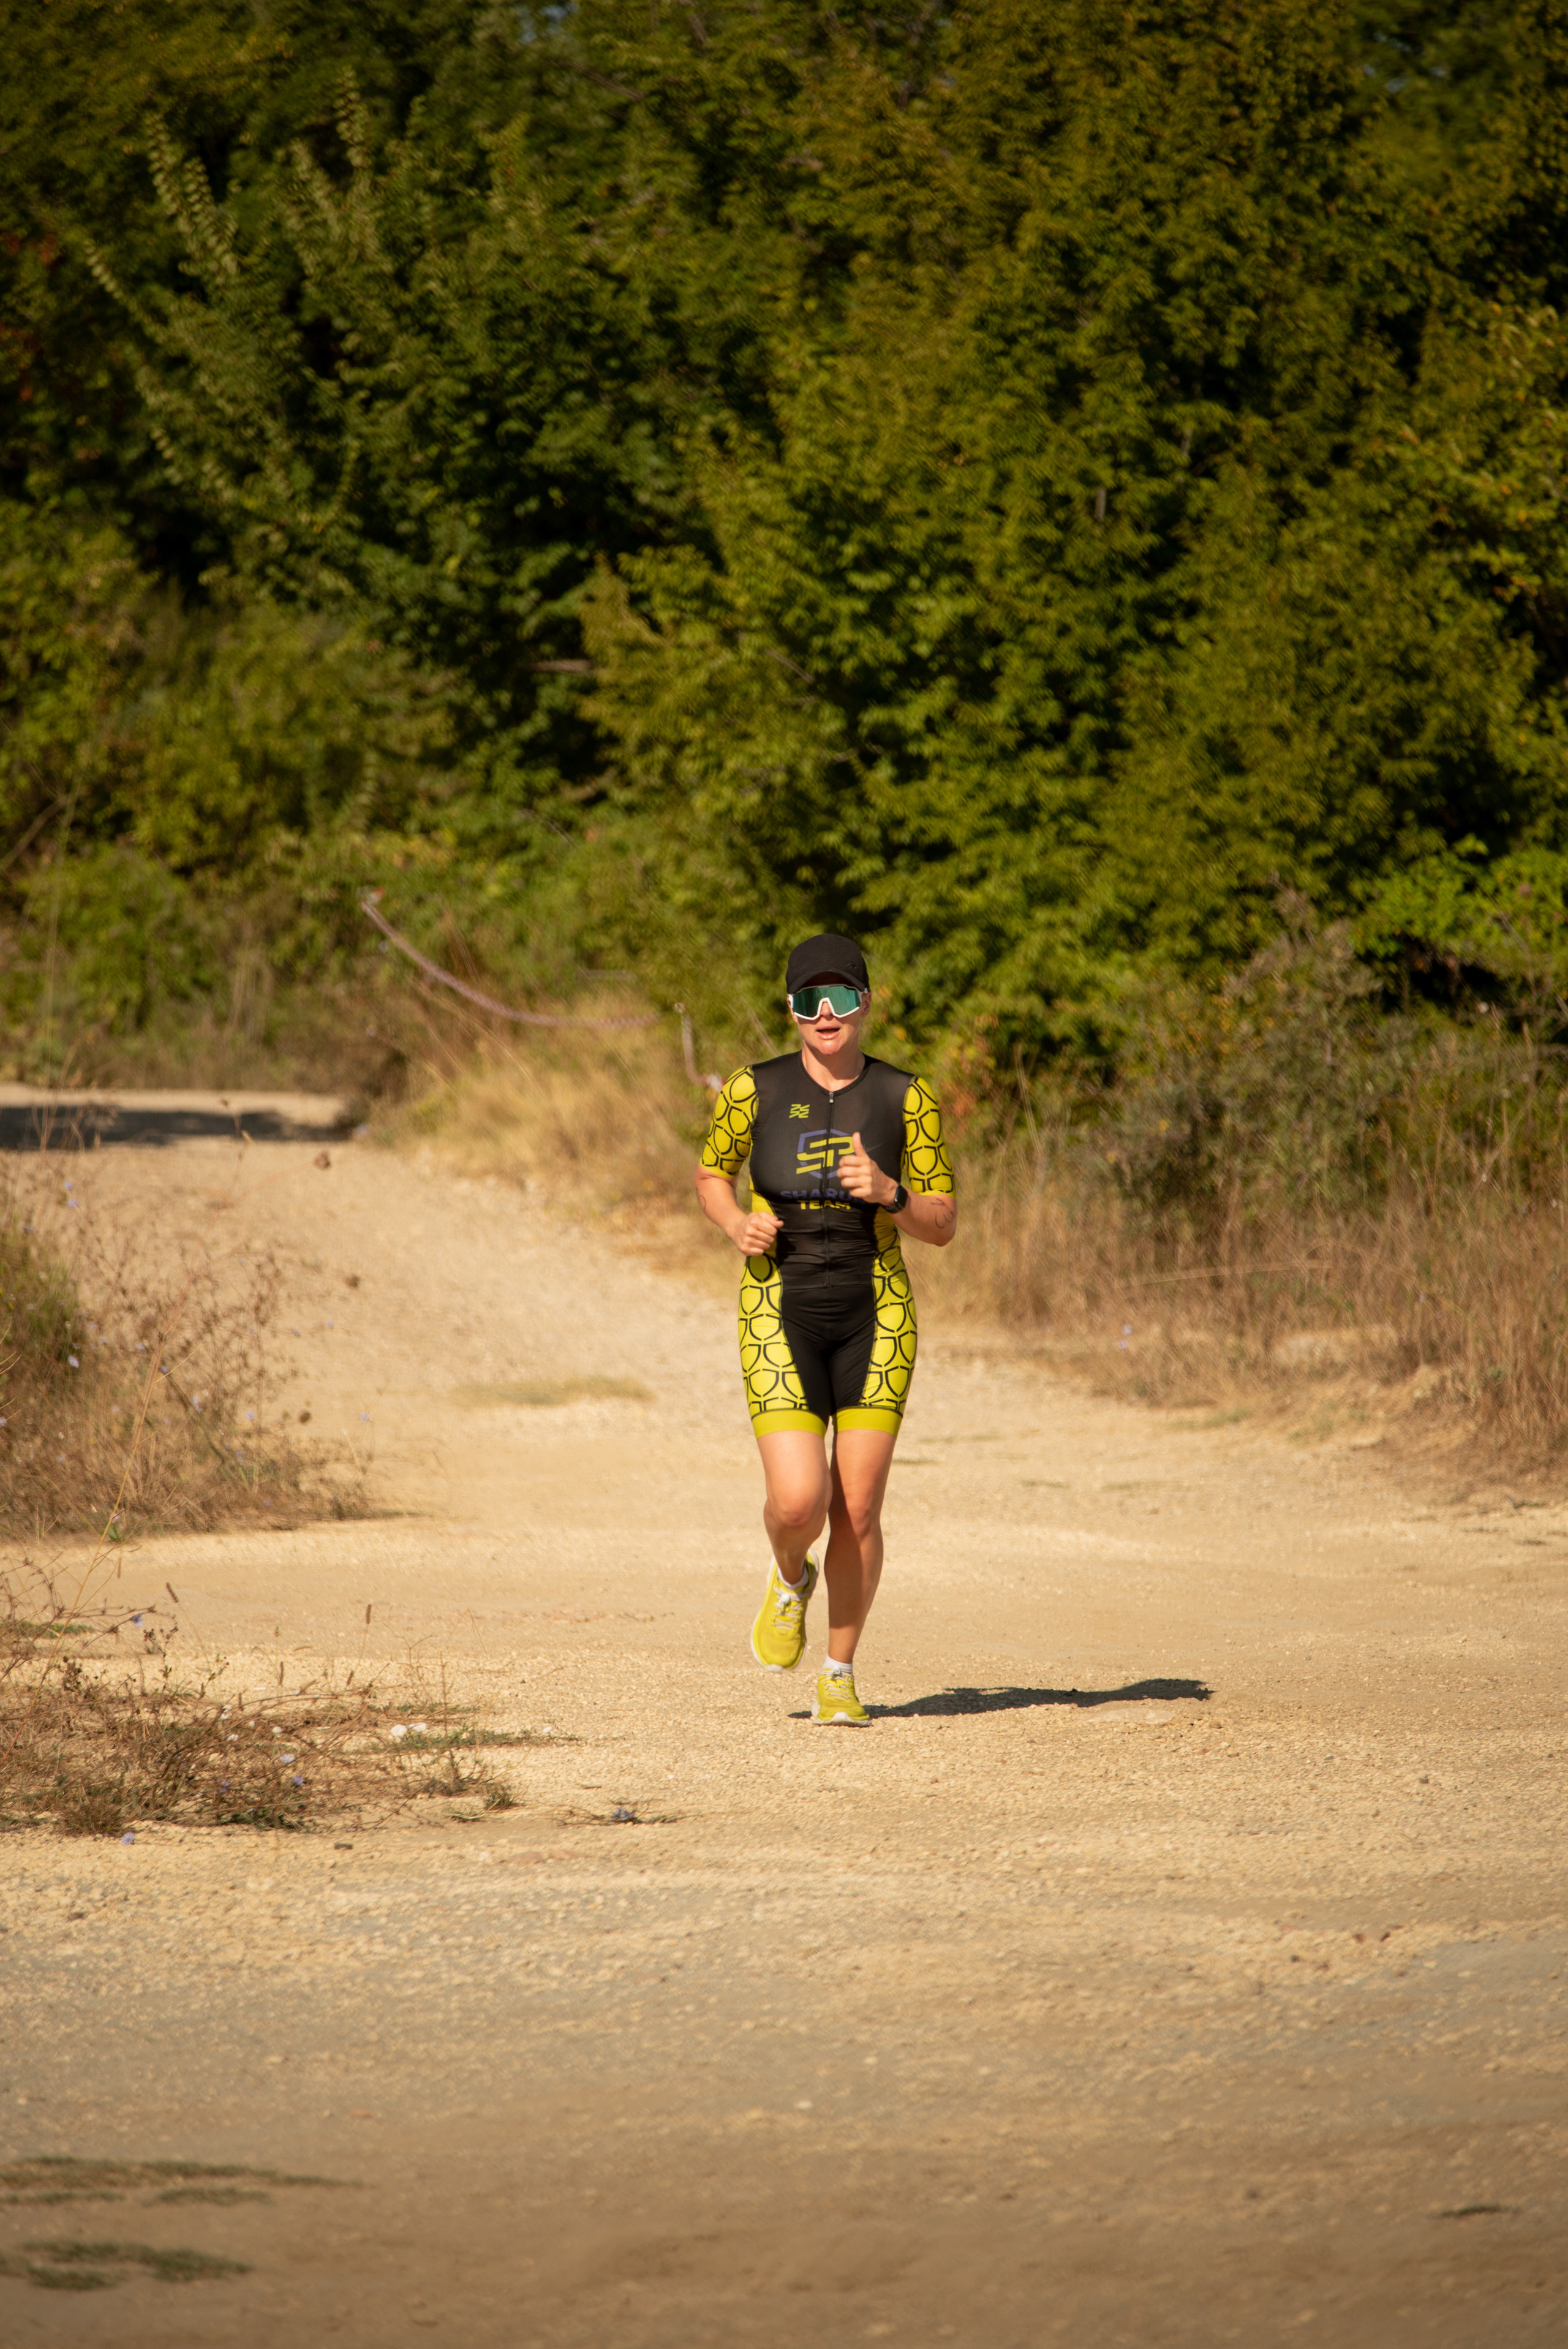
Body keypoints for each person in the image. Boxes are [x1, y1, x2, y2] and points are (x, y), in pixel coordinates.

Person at [695, 933, 957, 1723]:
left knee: (861, 1507)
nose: (825, 1014)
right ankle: (789, 1576)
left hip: (878, 1312)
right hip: (779, 1307)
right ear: (792, 1010)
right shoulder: (753, 1088)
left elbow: (943, 1222)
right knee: (800, 1501)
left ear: (866, 1003)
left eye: (841, 998)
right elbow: (713, 1173)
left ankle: (839, 1672)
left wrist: (889, 1192)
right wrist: (736, 1223)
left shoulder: (906, 1097)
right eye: (809, 1001)